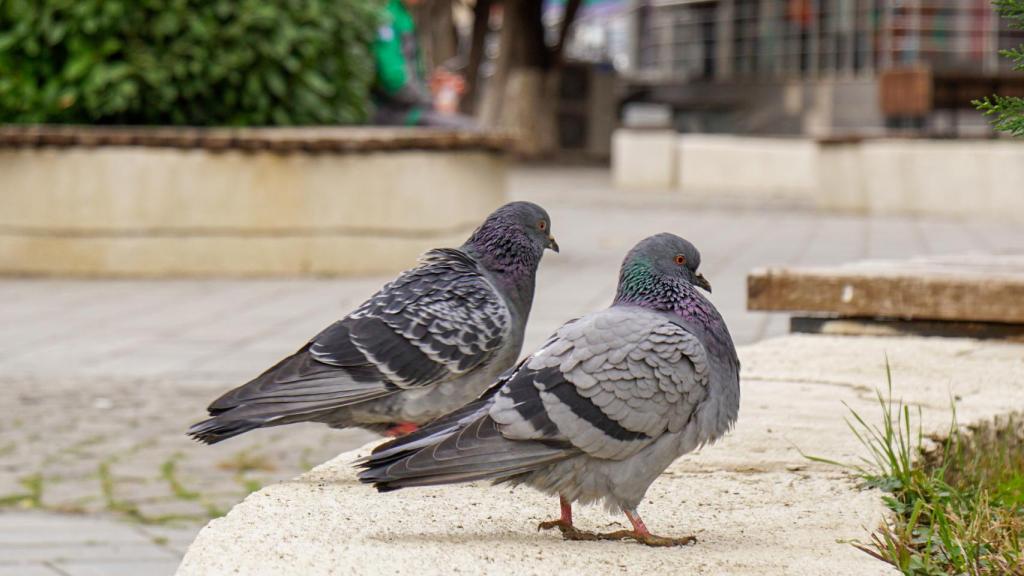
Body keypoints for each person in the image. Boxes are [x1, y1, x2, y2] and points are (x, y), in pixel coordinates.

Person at [371, 0, 476, 128]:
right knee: (470, 130)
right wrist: (432, 102)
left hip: (406, 110)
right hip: (393, 113)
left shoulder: (401, 14)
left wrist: (430, 86)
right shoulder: (387, 16)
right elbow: (393, 79)